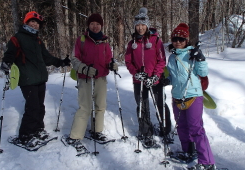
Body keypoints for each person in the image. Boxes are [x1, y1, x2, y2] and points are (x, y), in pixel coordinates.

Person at [0, 11, 71, 147]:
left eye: (37, 23)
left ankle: (38, 130)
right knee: (32, 107)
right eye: (32, 21)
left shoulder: (38, 40)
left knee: (40, 107)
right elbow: (10, 53)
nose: (35, 24)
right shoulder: (17, 38)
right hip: (27, 79)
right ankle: (25, 135)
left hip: (40, 79)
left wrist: (61, 62)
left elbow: (47, 57)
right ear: (26, 22)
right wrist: (6, 63)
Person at [166, 23, 216, 170]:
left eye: (181, 39)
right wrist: (166, 80)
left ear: (186, 40)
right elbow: (174, 77)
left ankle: (207, 162)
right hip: (177, 96)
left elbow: (203, 72)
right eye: (175, 39)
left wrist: (200, 58)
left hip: (193, 95)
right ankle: (188, 151)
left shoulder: (192, 54)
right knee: (182, 126)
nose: (178, 42)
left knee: (196, 129)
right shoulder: (172, 58)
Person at [63, 13, 118, 147]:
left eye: (98, 24)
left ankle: (97, 131)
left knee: (100, 106)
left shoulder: (105, 41)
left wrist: (111, 64)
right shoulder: (81, 40)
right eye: (92, 24)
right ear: (88, 25)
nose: (95, 26)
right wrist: (84, 68)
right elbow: (74, 59)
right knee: (85, 107)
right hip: (85, 78)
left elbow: (108, 59)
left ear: (101, 26)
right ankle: (75, 137)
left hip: (101, 77)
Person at [125, 7, 171, 148]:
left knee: (160, 104)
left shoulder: (156, 40)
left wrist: (156, 76)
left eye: (143, 25)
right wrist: (136, 73)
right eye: (137, 25)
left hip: (155, 79)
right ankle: (146, 133)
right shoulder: (132, 43)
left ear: (147, 25)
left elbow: (161, 61)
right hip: (139, 80)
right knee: (142, 106)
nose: (140, 28)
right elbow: (128, 61)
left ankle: (165, 129)